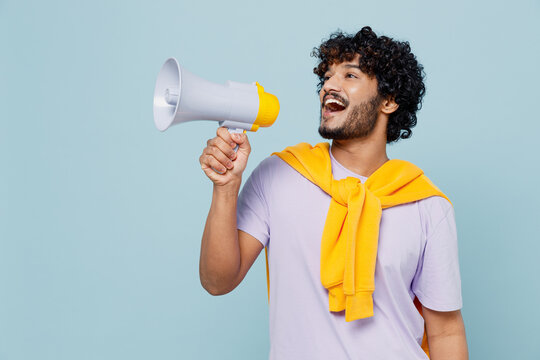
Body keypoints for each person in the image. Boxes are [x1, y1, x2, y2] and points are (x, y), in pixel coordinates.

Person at [198, 26, 468, 360]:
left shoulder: (427, 204)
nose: (329, 85)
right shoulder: (279, 176)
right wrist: (225, 189)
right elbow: (217, 281)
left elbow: (446, 330)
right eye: (327, 76)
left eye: (349, 75)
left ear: (389, 100)